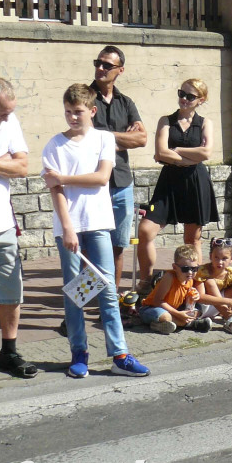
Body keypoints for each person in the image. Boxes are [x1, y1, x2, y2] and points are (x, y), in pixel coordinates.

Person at [42, 83, 150, 378]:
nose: (72, 118)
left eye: (77, 112)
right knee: (74, 292)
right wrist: (67, 228)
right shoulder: (54, 145)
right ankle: (79, 352)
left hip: (98, 222)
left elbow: (102, 177)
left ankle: (119, 354)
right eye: (67, 112)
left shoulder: (103, 138)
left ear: (91, 111)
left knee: (107, 288)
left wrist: (62, 178)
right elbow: (57, 193)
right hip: (70, 227)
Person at [135, 78, 218, 293]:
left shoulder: (205, 122)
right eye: (182, 93)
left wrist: (177, 151)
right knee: (145, 230)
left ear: (201, 100)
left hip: (195, 182)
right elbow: (160, 152)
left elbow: (207, 153)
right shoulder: (166, 120)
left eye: (190, 96)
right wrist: (189, 156)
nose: (184, 99)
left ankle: (193, 287)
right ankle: (146, 281)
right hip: (169, 182)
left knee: (192, 239)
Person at [89, 45, 147, 291]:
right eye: (98, 63)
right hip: (93, 184)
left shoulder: (126, 102)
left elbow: (142, 139)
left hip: (122, 183)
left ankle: (109, 300)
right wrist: (122, 138)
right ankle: (85, 300)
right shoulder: (85, 97)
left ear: (120, 70)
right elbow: (86, 137)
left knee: (117, 246)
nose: (100, 68)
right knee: (89, 247)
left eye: (107, 65)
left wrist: (104, 137)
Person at [0, 78, 37, 378]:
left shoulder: (10, 121)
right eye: (0, 113)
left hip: (1, 224)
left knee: (10, 292)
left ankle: (8, 352)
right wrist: (3, 159)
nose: (6, 118)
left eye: (9, 112)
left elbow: (23, 167)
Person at [139, 244, 212, 334]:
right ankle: (191, 324)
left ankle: (176, 323)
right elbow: (157, 301)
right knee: (166, 316)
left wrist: (193, 297)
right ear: (175, 267)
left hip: (173, 309)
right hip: (151, 309)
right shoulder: (169, 277)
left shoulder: (189, 279)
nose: (190, 272)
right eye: (185, 269)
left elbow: (182, 298)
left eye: (194, 269)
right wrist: (178, 314)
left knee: (198, 309)